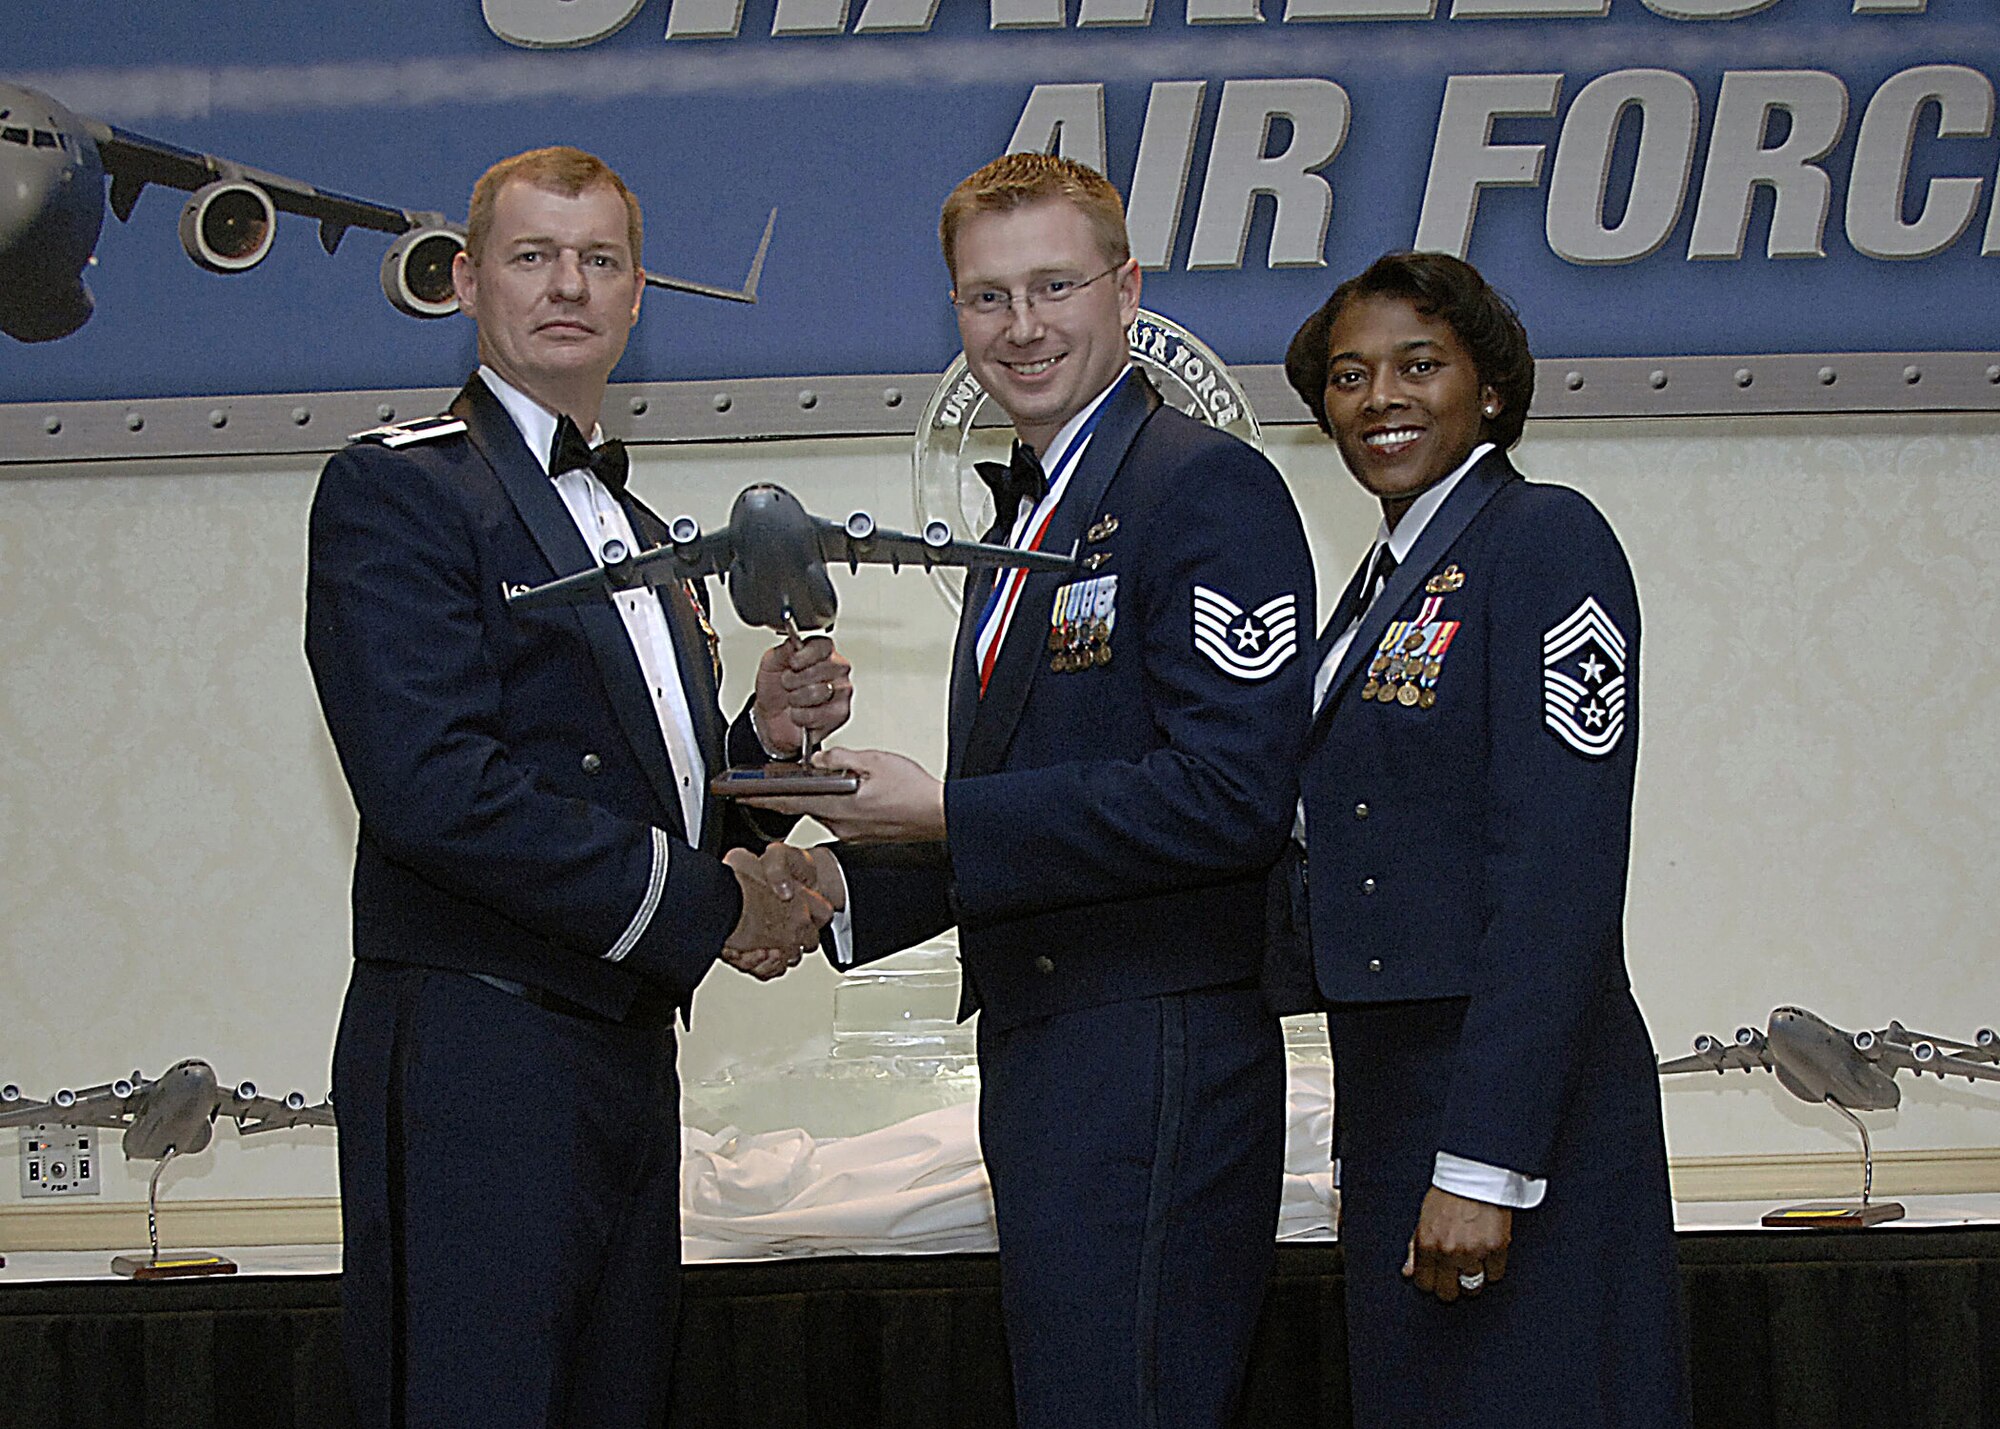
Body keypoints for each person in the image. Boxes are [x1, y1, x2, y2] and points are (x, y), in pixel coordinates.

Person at [743, 153, 1316, 1428]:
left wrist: (944, 813)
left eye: (1053, 285)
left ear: (1126, 290)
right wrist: (833, 890)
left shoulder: (1200, 487)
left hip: (1153, 1049)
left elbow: (1229, 796)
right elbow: (1045, 804)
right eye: (985, 296)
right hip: (1055, 1058)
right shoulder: (1036, 514)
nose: (1021, 327)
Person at [303, 145, 849, 1429]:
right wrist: (716, 908)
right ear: (464, 281)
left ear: (636, 293)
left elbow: (647, 808)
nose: (568, 285)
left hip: (617, 1043)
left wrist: (758, 752)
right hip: (475, 1048)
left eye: (599, 260)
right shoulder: (400, 488)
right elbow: (433, 789)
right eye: (533, 256)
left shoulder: (646, 532)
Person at [1274, 251, 1689, 1425]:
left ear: (1490, 390)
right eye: (1349, 377)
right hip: (1400, 1093)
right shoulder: (1376, 587)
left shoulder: (1543, 540)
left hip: (1519, 1108)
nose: (1378, 398)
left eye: (1418, 365)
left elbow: (1556, 870)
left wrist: (1482, 1162)